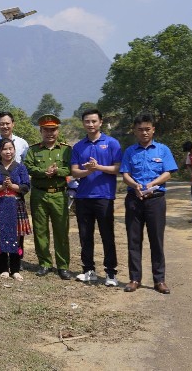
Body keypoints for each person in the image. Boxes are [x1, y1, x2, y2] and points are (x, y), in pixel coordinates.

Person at [120, 113, 178, 294]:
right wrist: (134, 185)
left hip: (156, 200)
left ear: (153, 129)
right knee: (134, 240)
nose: (144, 133)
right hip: (134, 200)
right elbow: (125, 174)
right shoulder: (130, 151)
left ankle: (159, 280)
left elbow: (168, 172)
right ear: (135, 131)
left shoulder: (162, 150)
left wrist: (153, 184)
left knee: (156, 240)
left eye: (147, 129)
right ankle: (134, 278)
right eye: (140, 130)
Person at [69, 109, 121, 286]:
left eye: (93, 121)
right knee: (85, 235)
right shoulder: (78, 146)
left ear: (100, 122)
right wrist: (88, 171)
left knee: (107, 235)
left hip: (104, 196)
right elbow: (74, 171)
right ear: (83, 123)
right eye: (87, 121)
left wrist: (99, 168)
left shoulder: (112, 143)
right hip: (83, 197)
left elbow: (118, 168)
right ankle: (88, 270)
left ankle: (111, 273)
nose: (90, 124)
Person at [24, 114, 73, 280]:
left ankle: (63, 266)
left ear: (58, 131)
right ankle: (44, 263)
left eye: (53, 130)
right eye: (46, 130)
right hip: (39, 193)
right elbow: (28, 168)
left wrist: (57, 171)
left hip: (59, 194)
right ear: (41, 131)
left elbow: (71, 169)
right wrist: (43, 173)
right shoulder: (33, 150)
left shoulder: (66, 150)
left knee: (61, 231)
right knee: (40, 230)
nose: (50, 133)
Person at [0, 111, 30, 259]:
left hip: (16, 191)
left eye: (7, 123)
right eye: (2, 123)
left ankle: (16, 257)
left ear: (13, 124)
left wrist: (11, 174)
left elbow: (26, 164)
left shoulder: (22, 143)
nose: (5, 126)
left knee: (16, 226)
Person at [0, 138, 31, 280]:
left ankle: (15, 269)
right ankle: (3, 268)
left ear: (14, 150)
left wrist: (12, 186)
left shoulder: (20, 167)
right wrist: (2, 187)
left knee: (16, 236)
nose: (8, 152)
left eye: (10, 148)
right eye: (5, 149)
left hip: (16, 205)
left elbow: (25, 186)